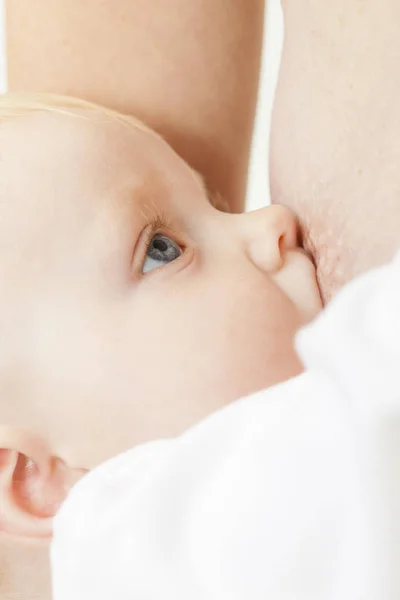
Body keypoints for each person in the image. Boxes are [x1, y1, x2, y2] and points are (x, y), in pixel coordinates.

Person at [1, 0, 400, 597]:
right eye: (163, 248)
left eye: (217, 204)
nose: (273, 220)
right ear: (36, 480)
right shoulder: (191, 538)